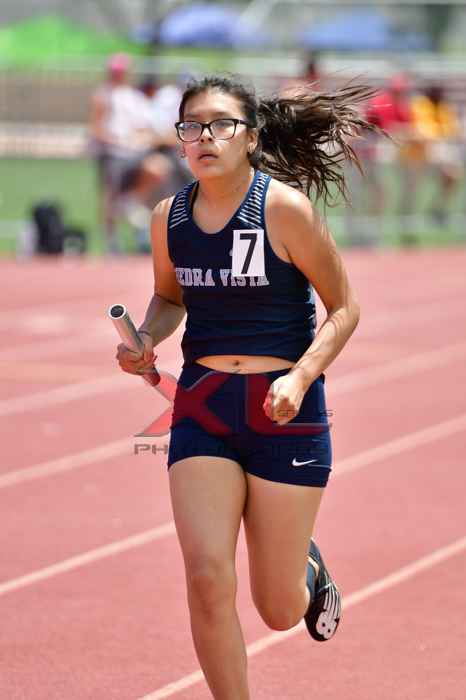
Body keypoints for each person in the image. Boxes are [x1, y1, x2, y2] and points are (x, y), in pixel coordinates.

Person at [116, 75, 376, 699]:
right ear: (180, 139)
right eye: (192, 126)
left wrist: (301, 376)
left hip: (284, 411)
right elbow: (169, 298)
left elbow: (344, 307)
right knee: (207, 578)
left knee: (279, 610)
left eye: (221, 125)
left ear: (251, 138)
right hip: (203, 408)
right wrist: (145, 336)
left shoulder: (284, 210)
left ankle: (306, 570)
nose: (205, 137)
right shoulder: (168, 218)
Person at [89, 54, 160, 254]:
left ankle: (131, 205)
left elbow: (143, 125)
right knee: (110, 195)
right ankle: (111, 239)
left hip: (135, 152)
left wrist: (140, 139)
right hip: (112, 153)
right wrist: (115, 140)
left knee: (157, 168)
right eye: (115, 72)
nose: (117, 75)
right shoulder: (103, 95)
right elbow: (96, 128)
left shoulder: (133, 96)